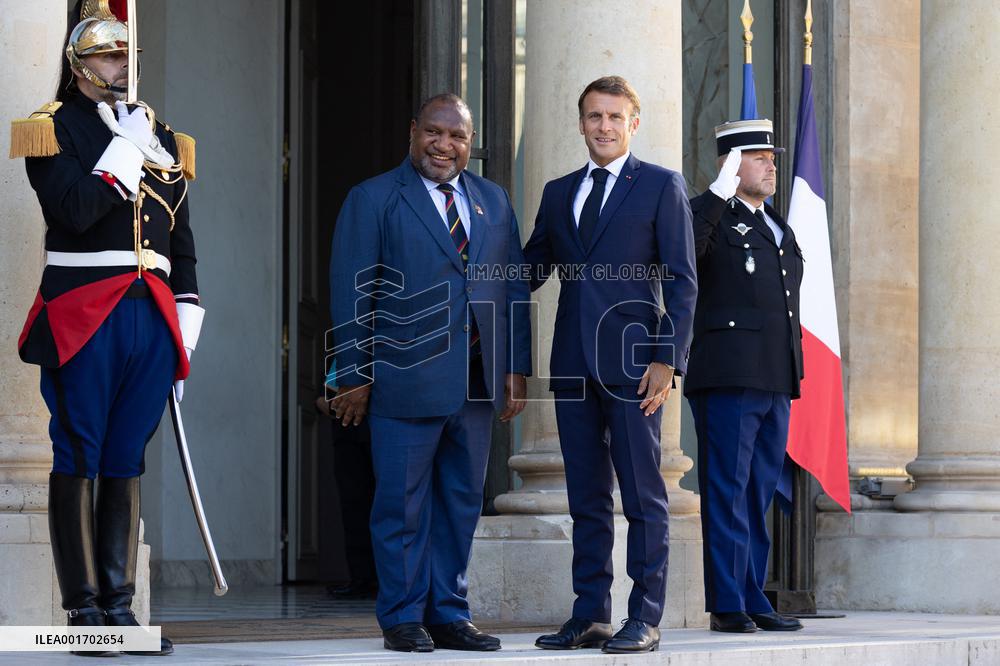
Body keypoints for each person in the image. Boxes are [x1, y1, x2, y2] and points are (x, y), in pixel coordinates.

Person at [10, 0, 202, 657]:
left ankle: (121, 608)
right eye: (106, 55)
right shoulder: (52, 129)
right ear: (78, 64)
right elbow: (76, 210)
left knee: (126, 459)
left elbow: (182, 238)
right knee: (81, 454)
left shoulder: (162, 134)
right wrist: (123, 148)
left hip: (150, 312)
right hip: (83, 309)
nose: (120, 65)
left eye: (125, 55)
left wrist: (187, 316)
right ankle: (83, 611)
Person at [329, 93, 531, 653]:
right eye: (435, 133)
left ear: (471, 144)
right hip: (402, 379)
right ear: (413, 131)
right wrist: (355, 374)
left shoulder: (493, 200)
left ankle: (449, 613)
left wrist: (515, 369)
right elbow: (353, 292)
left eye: (458, 137)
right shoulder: (372, 199)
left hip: (475, 382)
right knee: (401, 505)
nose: (445, 145)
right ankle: (402, 616)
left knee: (461, 501)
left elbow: (511, 288)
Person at [523, 76, 697, 654]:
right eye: (594, 117)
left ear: (633, 124)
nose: (603, 127)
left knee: (644, 494)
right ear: (580, 124)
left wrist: (666, 360)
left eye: (614, 117)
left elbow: (681, 281)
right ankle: (591, 613)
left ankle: (644, 616)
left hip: (634, 364)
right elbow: (530, 269)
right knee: (586, 494)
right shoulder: (557, 192)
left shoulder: (660, 186)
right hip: (571, 362)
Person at [685, 119, 805, 633]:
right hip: (729, 374)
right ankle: (728, 603)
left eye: (771, 156)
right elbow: (686, 255)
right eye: (758, 156)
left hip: (775, 377)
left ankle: (754, 595)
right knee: (728, 490)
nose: (771, 164)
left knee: (758, 492)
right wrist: (715, 194)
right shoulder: (707, 213)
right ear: (730, 163)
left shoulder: (776, 225)